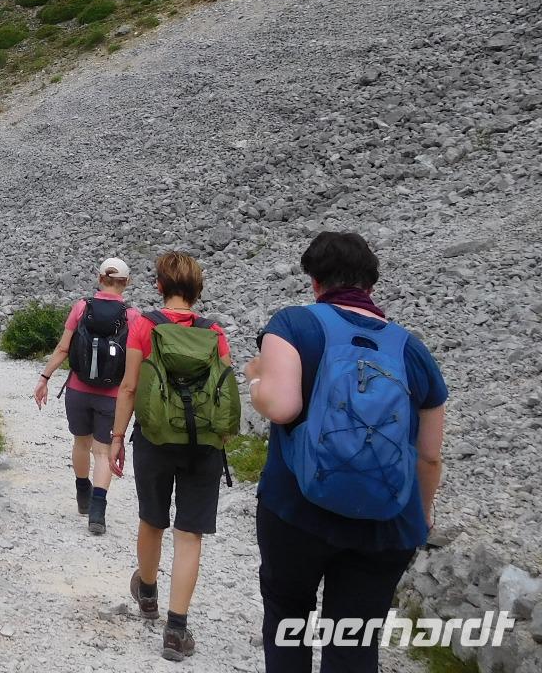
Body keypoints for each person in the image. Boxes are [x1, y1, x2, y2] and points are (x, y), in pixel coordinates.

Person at [245, 231, 447, 673]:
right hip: (385, 523)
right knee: (353, 643)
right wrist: (423, 515)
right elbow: (429, 455)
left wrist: (256, 381)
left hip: (296, 511)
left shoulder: (294, 324)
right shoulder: (412, 349)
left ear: (315, 281)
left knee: (287, 617)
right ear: (370, 285)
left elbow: (282, 407)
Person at [109, 251, 238, 662]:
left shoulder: (144, 324)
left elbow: (129, 387)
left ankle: (147, 593)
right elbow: (223, 392)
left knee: (152, 519)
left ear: (160, 286)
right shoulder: (215, 332)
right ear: (197, 289)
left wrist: (116, 437)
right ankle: (176, 629)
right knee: (190, 534)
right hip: (204, 445)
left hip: (155, 437)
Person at [33, 256, 137, 535]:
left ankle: (82, 495)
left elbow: (63, 348)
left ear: (99, 279)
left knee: (81, 443)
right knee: (103, 453)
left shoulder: (81, 307)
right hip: (112, 396)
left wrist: (44, 378)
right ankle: (97, 512)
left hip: (78, 390)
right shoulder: (132, 316)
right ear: (126, 284)